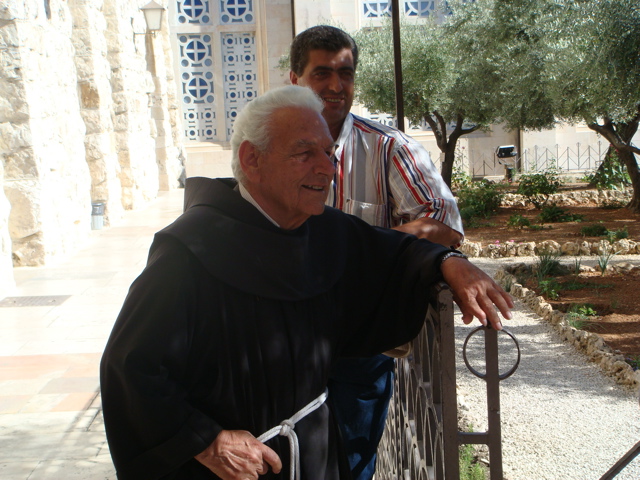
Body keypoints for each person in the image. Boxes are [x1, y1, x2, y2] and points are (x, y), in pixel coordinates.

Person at [100, 85, 512, 480]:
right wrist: (208, 442)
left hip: (314, 455)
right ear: (251, 160)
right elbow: (129, 366)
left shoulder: (324, 230)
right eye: (304, 153)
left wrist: (449, 262)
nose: (326, 168)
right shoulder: (189, 251)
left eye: (329, 153)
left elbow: (394, 253)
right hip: (235, 468)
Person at [289, 25, 464, 480]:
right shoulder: (271, 146)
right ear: (294, 79)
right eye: (321, 73)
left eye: (344, 73)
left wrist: (367, 255)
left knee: (351, 463)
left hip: (358, 345)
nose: (334, 86)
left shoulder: (387, 146)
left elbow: (443, 221)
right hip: (283, 340)